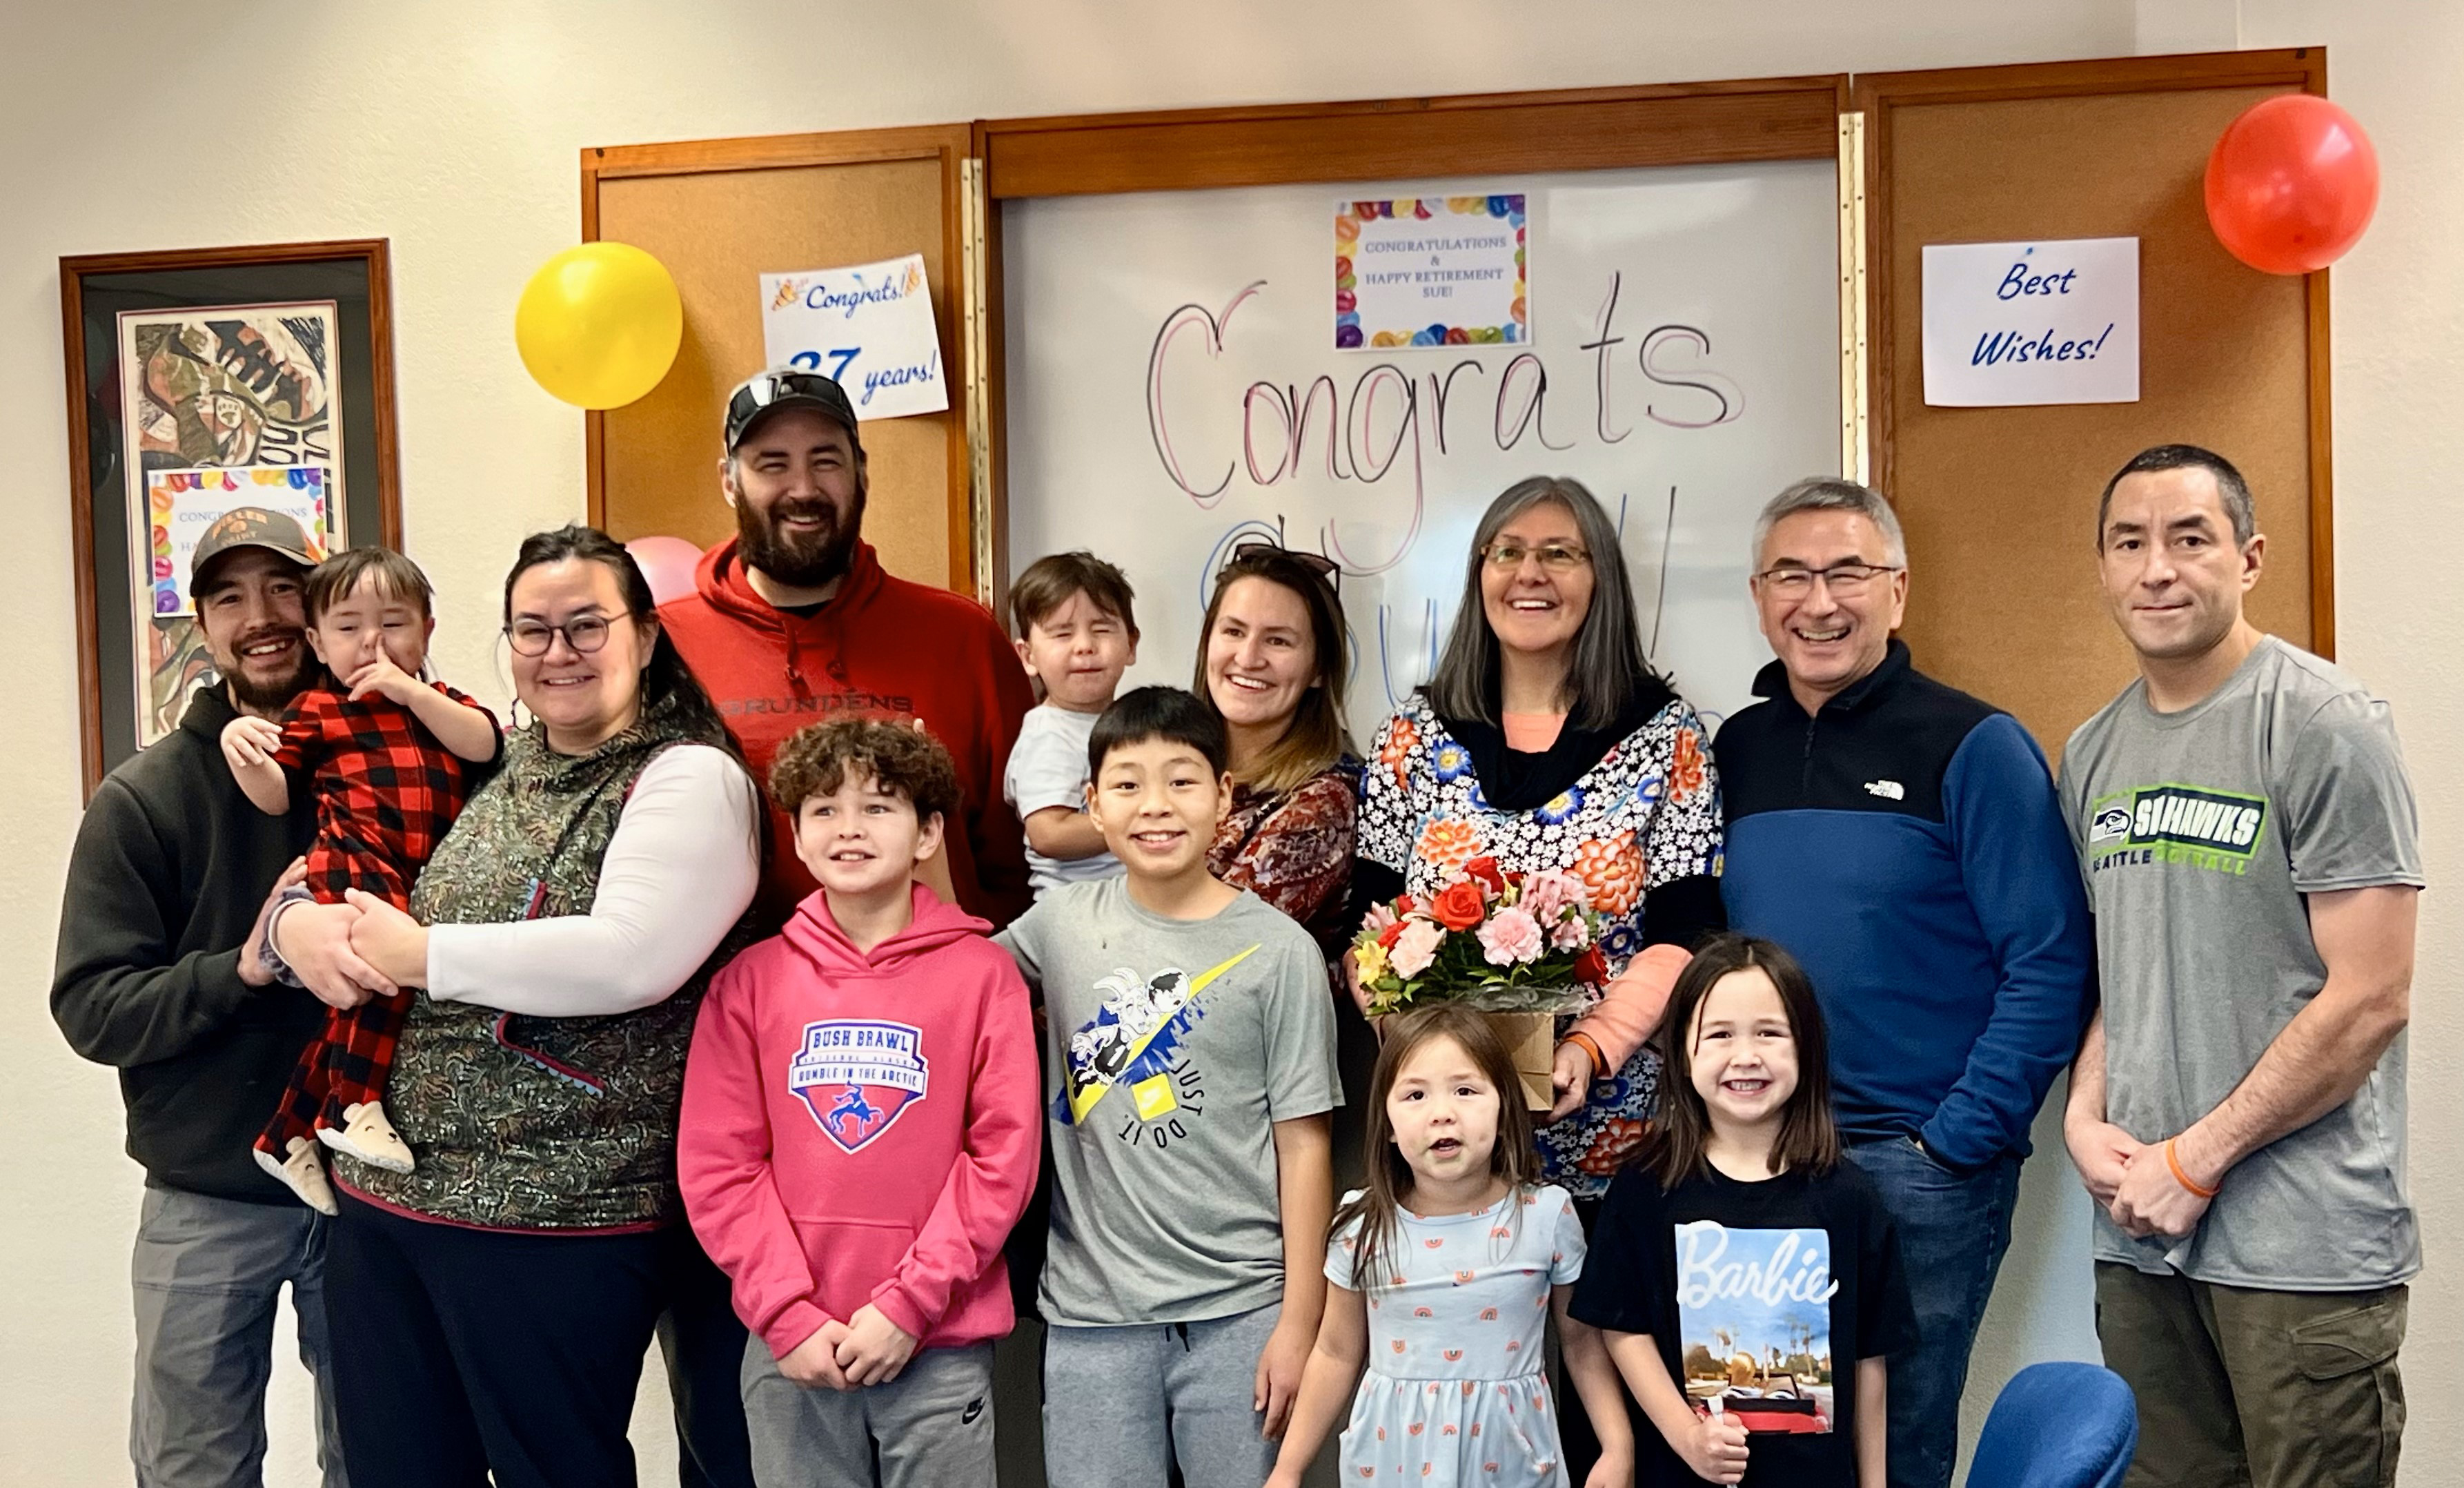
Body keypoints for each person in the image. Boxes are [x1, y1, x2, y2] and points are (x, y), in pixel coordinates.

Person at [266, 525, 764, 1488]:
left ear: (647, 637)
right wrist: (293, 928)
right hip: (388, 1203)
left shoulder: (687, 777)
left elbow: (632, 957)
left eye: (585, 626)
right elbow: (351, 850)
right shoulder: (496, 764)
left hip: (556, 1216)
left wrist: (421, 956)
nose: (555, 653)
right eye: (530, 631)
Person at [1709, 478, 2092, 1488]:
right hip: (1762, 1159)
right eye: (1791, 575)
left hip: (1916, 1166)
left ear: (1898, 590)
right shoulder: (1735, 750)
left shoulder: (1974, 746)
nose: (1819, 601)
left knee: (1899, 1447)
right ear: (1758, 596)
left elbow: (2049, 957)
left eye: (1847, 572)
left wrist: (1958, 1137)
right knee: (1768, 1442)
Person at [2058, 445, 2421, 1488]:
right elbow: (2118, 975)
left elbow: (2369, 999)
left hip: (2297, 1249)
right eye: (2128, 542)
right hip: (2139, 1242)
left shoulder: (2320, 724)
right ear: (2101, 566)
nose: (2156, 569)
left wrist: (2197, 1158)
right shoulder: (2091, 752)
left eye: (2188, 538)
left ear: (2248, 557)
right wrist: (2085, 1119)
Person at [52, 506, 348, 1487]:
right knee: (193, 1468)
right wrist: (245, 966)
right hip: (206, 1197)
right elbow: (93, 1006)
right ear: (199, 624)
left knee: (388, 1453)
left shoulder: (383, 769)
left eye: (281, 588)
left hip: (372, 1191)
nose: (260, 616)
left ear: (318, 604)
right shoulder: (144, 799)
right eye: (230, 596)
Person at [681, 718, 1039, 1488]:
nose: (850, 828)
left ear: (927, 832)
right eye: (824, 809)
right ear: (798, 838)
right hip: (792, 1346)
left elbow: (1001, 1156)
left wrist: (910, 1303)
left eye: (879, 806)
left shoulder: (984, 976)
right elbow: (720, 1167)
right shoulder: (749, 983)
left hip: (936, 1339)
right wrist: (787, 1312)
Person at [996, 686, 1339, 1488]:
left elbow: (1304, 1143)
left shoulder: (1277, 950)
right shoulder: (1058, 925)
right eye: (1127, 784)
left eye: (1183, 780)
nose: (1156, 805)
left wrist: (1299, 1321)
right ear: (1092, 804)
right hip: (1091, 1313)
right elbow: (947, 977)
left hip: (1241, 1309)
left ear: (1224, 794)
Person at [1354, 476, 1725, 1193]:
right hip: (1443, 1151)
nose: (1530, 573)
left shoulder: (1666, 737)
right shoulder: (1411, 735)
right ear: (1479, 572)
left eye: (1560, 553)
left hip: (1618, 1143)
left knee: (1599, 1311)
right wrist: (1414, 1052)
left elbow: (1687, 929)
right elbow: (1367, 922)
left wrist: (1592, 1046)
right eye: (1508, 551)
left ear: (1601, 581)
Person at [660, 367, 1034, 930]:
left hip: (931, 997)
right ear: (729, 481)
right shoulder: (663, 647)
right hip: (730, 1006)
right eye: (772, 464)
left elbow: (1018, 862)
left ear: (861, 473)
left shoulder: (963, 638)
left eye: (826, 460)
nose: (804, 489)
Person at [1574, 935, 1917, 1488]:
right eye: (1719, 1035)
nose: (1746, 1056)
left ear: (1805, 1047)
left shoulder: (1849, 1197)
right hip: (1681, 1474)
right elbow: (1622, 1329)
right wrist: (1687, 1436)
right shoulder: (1645, 1187)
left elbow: (1868, 1360)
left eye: (1769, 1033)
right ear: (1682, 1053)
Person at [221, 545, 500, 1213]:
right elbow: (275, 795)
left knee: (361, 996)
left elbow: (485, 744)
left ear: (428, 628)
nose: (373, 642)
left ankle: (288, 1133)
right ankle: (354, 1106)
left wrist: (409, 690)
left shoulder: (441, 704)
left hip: (416, 872)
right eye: (349, 628)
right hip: (353, 862)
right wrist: (243, 750)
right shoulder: (320, 708)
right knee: (383, 984)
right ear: (317, 641)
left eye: (394, 623)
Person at [1265, 1004, 1633, 1488]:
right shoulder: (1361, 1225)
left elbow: (1581, 1344)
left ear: (1504, 1109)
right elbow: (1335, 1353)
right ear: (1390, 1127)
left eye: (1465, 1091)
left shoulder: (1545, 1216)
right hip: (1394, 1460)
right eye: (1415, 1095)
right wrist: (1288, 1470)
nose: (1442, 1114)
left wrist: (1617, 1447)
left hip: (1511, 1460)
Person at [1193, 542, 1359, 951]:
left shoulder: (1322, 804)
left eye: (1278, 641)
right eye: (1233, 631)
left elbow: (1212, 948)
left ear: (1319, 669)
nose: (1248, 658)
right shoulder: (1172, 764)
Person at [1005, 550, 1138, 897]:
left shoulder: (1132, 723)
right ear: (1028, 656)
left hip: (1127, 905)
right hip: (1074, 914)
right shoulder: (1049, 734)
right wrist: (1140, 821)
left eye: (1102, 629)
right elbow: (1049, 834)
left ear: (1131, 644)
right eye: (1062, 634)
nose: (1084, 647)